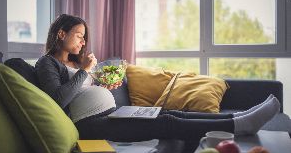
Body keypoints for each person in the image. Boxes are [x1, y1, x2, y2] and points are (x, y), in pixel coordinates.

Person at [35, 14, 280, 142]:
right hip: (90, 125)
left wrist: (103, 84)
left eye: (84, 36)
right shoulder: (47, 63)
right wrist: (86, 72)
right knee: (167, 124)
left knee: (167, 113)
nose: (83, 41)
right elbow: (58, 99)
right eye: (78, 35)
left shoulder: (75, 63)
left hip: (109, 113)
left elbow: (80, 90)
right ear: (61, 33)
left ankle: (237, 116)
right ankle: (239, 127)